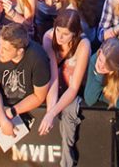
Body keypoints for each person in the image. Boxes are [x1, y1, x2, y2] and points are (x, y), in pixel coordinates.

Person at [40, 9, 91, 167]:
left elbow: (74, 88)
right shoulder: (49, 37)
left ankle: (67, 162)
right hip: (57, 86)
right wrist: (50, 112)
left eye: (65, 34)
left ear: (75, 34)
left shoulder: (83, 45)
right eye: (58, 31)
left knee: (69, 110)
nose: (60, 37)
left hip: (76, 90)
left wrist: (52, 113)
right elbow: (53, 77)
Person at [0, 22, 51, 140]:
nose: (0, 52)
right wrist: (2, 118)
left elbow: (39, 96)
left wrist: (12, 112)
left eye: (5, 49)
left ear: (20, 51)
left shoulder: (38, 58)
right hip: (3, 104)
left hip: (30, 106)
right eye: (0, 45)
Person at [83, 38, 119, 110]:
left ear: (115, 68)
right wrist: (99, 75)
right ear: (100, 52)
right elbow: (89, 100)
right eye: (100, 60)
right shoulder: (95, 59)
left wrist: (99, 96)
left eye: (106, 66)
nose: (100, 66)